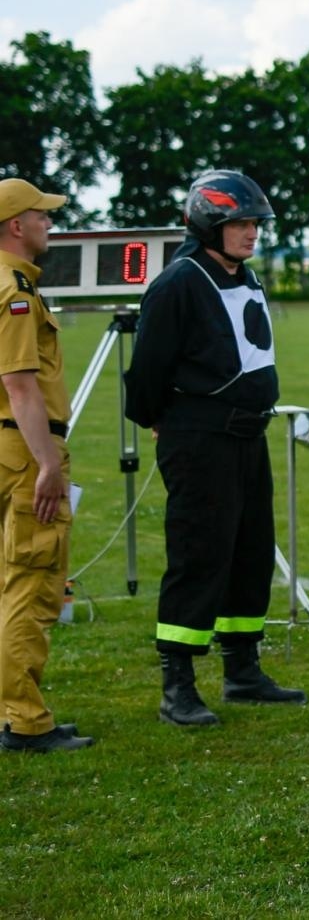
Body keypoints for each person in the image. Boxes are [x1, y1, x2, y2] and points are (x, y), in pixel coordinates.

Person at [125, 169, 305, 728]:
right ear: (209, 222)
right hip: (201, 442)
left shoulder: (245, 276)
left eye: (255, 224)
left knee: (250, 553)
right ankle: (177, 684)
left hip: (248, 440)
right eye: (240, 224)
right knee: (199, 556)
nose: (251, 233)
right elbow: (147, 372)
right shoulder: (178, 283)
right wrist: (165, 421)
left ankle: (242, 670)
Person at [0, 178, 91, 753]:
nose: (49, 224)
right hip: (19, 447)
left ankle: (12, 712)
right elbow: (20, 385)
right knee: (31, 584)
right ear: (16, 225)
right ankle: (26, 721)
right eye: (42, 216)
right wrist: (46, 465)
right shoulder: (13, 291)